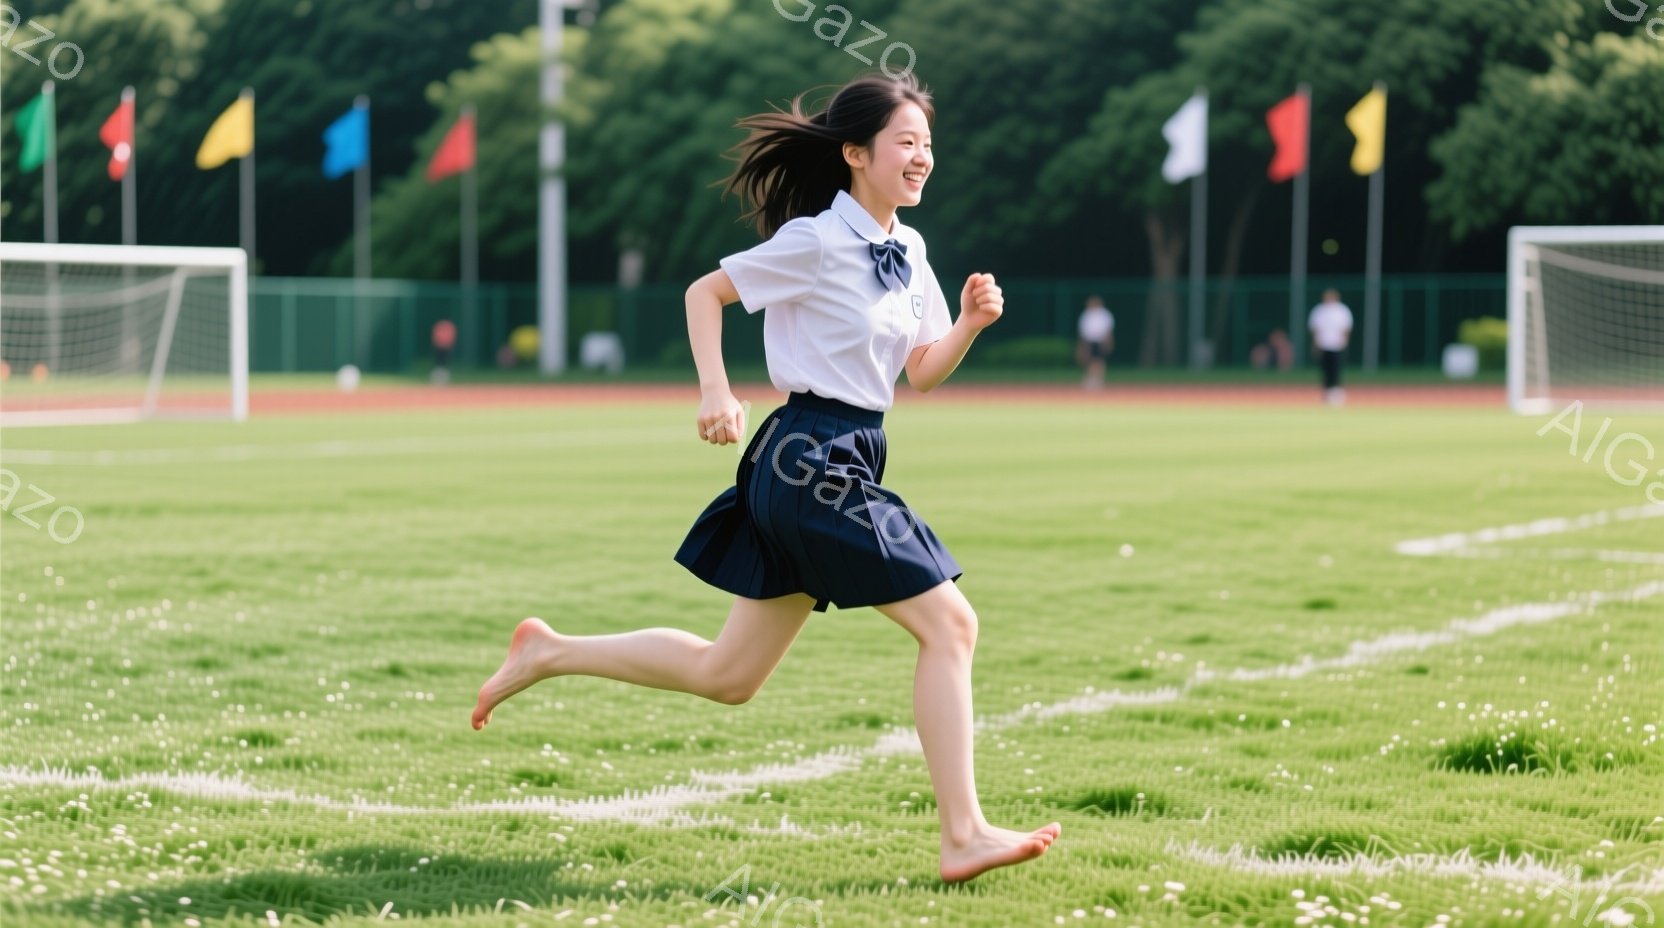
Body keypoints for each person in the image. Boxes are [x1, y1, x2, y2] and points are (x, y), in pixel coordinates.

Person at [471, 73, 1060, 884]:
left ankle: (549, 652)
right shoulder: (816, 241)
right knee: (951, 626)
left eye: (928, 143)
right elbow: (705, 293)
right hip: (809, 457)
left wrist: (967, 325)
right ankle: (963, 836)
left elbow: (921, 372)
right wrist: (715, 391)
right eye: (905, 142)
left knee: (728, 676)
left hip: (849, 450)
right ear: (856, 154)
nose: (923, 156)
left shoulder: (910, 250)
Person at [1308, 288, 1353, 404]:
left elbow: (1346, 328)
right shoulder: (1319, 310)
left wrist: (1345, 341)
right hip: (1323, 344)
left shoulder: (1342, 310)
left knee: (1336, 369)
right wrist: (1315, 343)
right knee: (1325, 369)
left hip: (1337, 344)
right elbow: (1314, 328)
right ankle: (1327, 392)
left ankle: (1336, 392)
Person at [1075, 295, 1113, 389]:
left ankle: (1097, 380)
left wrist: (1107, 340)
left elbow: (1108, 329)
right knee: (1088, 360)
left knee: (1098, 360)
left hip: (1100, 340)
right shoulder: (1086, 314)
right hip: (1088, 341)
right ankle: (1090, 378)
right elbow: (1082, 329)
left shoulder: (1104, 314)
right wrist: (1082, 343)